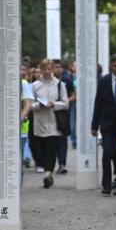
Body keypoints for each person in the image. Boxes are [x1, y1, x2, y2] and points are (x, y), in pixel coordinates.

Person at [91, 53, 116, 195]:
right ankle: (106, 184)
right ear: (111, 66)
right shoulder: (104, 81)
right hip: (107, 124)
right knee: (107, 153)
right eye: (115, 66)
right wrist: (94, 125)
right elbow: (98, 103)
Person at [30, 58, 70, 188]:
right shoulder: (35, 86)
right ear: (40, 70)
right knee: (41, 149)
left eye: (49, 69)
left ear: (53, 69)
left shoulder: (60, 85)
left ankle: (48, 173)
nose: (47, 72)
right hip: (39, 122)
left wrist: (54, 104)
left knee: (51, 148)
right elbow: (29, 105)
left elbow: (65, 103)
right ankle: (45, 168)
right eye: (44, 69)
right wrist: (39, 106)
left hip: (54, 121)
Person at [52, 59, 75, 173]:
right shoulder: (48, 82)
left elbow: (73, 95)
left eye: (60, 67)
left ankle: (62, 163)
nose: (58, 69)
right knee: (52, 138)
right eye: (55, 67)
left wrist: (64, 101)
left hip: (63, 113)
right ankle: (53, 163)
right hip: (50, 113)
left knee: (62, 138)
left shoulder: (67, 81)